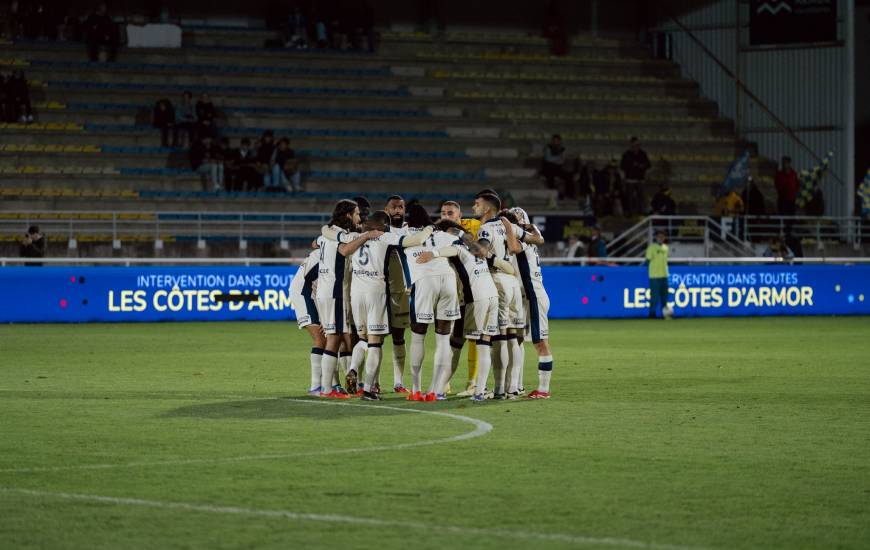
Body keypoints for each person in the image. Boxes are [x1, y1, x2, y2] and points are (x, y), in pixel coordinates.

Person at [324, 211, 432, 400]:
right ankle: (367, 389)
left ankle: (353, 369)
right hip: (377, 292)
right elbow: (414, 241)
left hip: (356, 294)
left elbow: (333, 237)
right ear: (383, 225)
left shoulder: (355, 236)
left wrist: (325, 228)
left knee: (363, 338)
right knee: (375, 343)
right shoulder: (387, 237)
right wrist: (430, 228)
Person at [415, 219, 512, 401]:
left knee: (455, 343)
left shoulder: (458, 248)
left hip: (475, 299)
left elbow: (450, 251)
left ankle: (439, 390)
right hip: (492, 296)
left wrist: (433, 253)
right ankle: (479, 392)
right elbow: (508, 268)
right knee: (484, 344)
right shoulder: (479, 251)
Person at [314, 200, 383, 399]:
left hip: (326, 290)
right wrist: (368, 235)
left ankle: (333, 386)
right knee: (334, 338)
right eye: (356, 214)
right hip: (336, 291)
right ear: (347, 215)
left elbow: (315, 242)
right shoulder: (345, 236)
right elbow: (344, 250)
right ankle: (327, 389)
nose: (359, 218)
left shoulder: (328, 232)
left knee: (340, 337)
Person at [473, 194, 537, 399]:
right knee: (514, 338)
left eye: (477, 204)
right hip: (513, 283)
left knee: (499, 338)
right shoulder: (510, 226)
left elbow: (481, 251)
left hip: (497, 281)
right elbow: (538, 239)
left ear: (487, 209)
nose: (474, 207)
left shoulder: (486, 229)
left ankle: (500, 389)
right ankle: (513, 387)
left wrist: (469, 245)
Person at [401, 203, 461, 401]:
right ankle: (435, 390)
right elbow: (459, 246)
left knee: (418, 336)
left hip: (424, 281)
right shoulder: (440, 232)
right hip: (447, 278)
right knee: (443, 339)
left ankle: (416, 389)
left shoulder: (404, 231)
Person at [289, 238, 327, 395]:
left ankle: (325, 385)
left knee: (326, 339)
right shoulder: (324, 258)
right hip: (304, 294)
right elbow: (315, 286)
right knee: (321, 338)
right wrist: (325, 318)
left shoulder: (323, 252)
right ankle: (315, 387)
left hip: (310, 292)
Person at [383, 195, 412, 393]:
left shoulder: (410, 230)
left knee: (399, 337)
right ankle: (369, 382)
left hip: (401, 293)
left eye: (401, 207)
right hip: (377, 291)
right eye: (394, 207)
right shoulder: (378, 230)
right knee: (372, 338)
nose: (398, 211)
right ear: (386, 210)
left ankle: (398, 382)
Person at [620, 137, 651, 216]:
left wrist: (641, 166)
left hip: (640, 179)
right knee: (629, 197)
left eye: (638, 145)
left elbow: (648, 165)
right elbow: (622, 166)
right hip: (630, 179)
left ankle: (642, 211)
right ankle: (630, 212)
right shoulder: (627, 154)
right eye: (634, 145)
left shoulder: (642, 154)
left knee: (642, 196)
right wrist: (631, 166)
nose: (636, 147)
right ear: (631, 145)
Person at [645, 230, 671, 319]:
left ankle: (665, 314)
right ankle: (652, 314)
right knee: (654, 297)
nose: (661, 238)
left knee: (665, 297)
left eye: (662, 236)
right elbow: (647, 261)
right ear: (656, 237)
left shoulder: (666, 248)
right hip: (655, 276)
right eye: (659, 236)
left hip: (664, 276)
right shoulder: (651, 248)